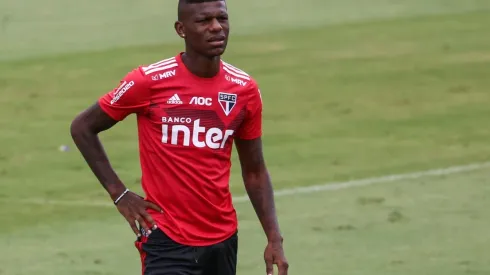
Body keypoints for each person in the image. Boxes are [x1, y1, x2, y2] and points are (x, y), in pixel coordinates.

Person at [70, 0, 288, 274]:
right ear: (181, 29)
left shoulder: (243, 89)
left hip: (222, 239)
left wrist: (274, 238)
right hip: (166, 240)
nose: (216, 27)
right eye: (204, 21)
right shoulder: (148, 81)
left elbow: (255, 171)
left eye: (222, 18)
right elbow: (82, 127)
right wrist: (119, 193)